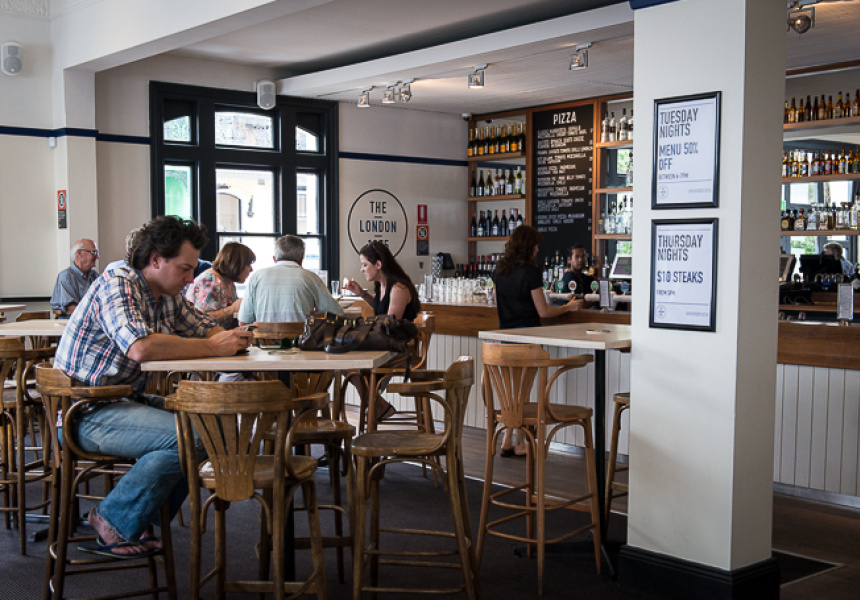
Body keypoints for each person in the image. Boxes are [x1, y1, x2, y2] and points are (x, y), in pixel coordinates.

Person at [53, 216, 253, 557]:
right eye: (185, 269)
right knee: (196, 435)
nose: (191, 278)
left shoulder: (167, 293)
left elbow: (203, 326)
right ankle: (113, 519)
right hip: (83, 411)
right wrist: (213, 346)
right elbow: (140, 347)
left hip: (124, 401)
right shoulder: (118, 282)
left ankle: (139, 517)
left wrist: (228, 338)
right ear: (156, 260)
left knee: (216, 428)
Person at [493, 225, 582, 456]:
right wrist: (569, 307)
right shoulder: (531, 272)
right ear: (528, 247)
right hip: (528, 339)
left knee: (513, 393)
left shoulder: (499, 271)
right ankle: (518, 442)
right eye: (535, 245)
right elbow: (543, 311)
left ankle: (508, 440)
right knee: (523, 394)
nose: (538, 249)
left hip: (505, 338)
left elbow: (496, 302)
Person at [344, 241, 422, 421]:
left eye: (365, 265)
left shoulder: (398, 288)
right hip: (387, 344)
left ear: (378, 264)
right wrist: (362, 295)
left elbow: (389, 325)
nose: (362, 270)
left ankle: (376, 405)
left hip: (399, 350)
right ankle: (378, 405)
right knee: (344, 364)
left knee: (348, 364)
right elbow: (383, 311)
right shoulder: (382, 285)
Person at [238, 234, 343, 325]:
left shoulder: (256, 277)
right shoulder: (310, 277)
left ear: (274, 259)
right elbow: (336, 314)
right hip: (302, 340)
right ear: (302, 260)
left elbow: (243, 322)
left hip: (264, 340)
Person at [186, 242, 255, 329]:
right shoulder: (210, 281)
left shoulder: (228, 281)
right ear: (236, 264)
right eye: (248, 265)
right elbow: (200, 320)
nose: (251, 269)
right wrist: (232, 309)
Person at [50, 238, 100, 317]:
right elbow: (70, 309)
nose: (97, 256)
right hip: (71, 321)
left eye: (97, 253)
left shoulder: (95, 276)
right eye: (93, 252)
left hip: (93, 320)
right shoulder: (66, 276)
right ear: (79, 253)